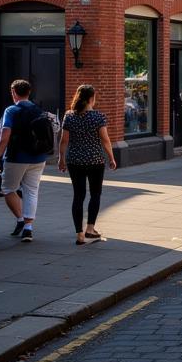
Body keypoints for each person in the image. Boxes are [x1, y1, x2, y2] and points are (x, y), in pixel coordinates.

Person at [0, 79, 55, 243]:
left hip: (16, 157)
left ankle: (20, 219)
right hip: (39, 157)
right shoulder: (37, 109)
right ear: (29, 92)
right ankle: (28, 228)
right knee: (31, 191)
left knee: (7, 188)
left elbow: (4, 135)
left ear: (13, 93)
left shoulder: (11, 110)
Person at [58, 84, 117, 244]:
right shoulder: (98, 117)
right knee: (95, 194)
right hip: (95, 160)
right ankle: (90, 229)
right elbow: (105, 140)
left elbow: (64, 140)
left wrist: (61, 158)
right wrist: (111, 157)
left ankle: (79, 234)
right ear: (92, 98)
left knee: (78, 195)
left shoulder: (69, 116)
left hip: (74, 161)